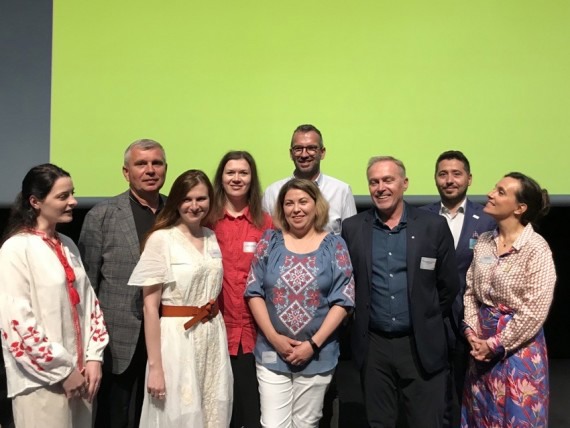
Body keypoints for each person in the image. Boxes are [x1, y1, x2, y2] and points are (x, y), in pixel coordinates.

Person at [341, 156, 459, 428]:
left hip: (420, 344)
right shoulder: (353, 228)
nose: (380, 188)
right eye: (374, 182)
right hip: (374, 346)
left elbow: (449, 285)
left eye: (388, 180)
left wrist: (423, 314)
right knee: (378, 423)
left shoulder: (433, 226)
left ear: (404, 184)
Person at [0, 164, 108, 427]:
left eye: (72, 193)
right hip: (42, 381)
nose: (73, 201)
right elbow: (17, 321)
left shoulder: (67, 245)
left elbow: (90, 305)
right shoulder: (16, 249)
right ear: (35, 202)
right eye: (62, 196)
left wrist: (94, 357)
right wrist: (63, 370)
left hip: (82, 378)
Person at [245, 178, 355, 427]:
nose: (296, 209)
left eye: (303, 202)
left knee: (306, 424)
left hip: (318, 355)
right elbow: (253, 291)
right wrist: (274, 338)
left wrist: (312, 345)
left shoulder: (335, 245)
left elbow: (344, 300)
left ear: (316, 205)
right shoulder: (269, 241)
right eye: (289, 203)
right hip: (272, 353)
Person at [128, 169, 233, 427]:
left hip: (212, 336)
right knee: (179, 411)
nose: (194, 206)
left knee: (212, 410)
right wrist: (155, 367)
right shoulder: (161, 239)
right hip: (177, 338)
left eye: (201, 199)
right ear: (176, 201)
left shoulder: (210, 236)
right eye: (187, 199)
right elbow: (150, 308)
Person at [78, 138, 167, 427]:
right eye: (141, 164)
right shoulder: (101, 215)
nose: (150, 170)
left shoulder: (176, 213)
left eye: (157, 163)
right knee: (114, 416)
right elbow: (87, 286)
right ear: (126, 172)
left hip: (167, 335)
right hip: (117, 340)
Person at [461, 172, 556, 427]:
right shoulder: (484, 241)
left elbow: (534, 311)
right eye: (495, 188)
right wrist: (472, 334)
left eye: (501, 192)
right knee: (481, 415)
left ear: (519, 208)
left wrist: (495, 344)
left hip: (517, 350)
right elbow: (470, 292)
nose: (490, 194)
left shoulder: (536, 248)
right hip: (480, 348)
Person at [421, 150, 495, 427]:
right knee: (434, 390)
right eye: (443, 174)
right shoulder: (421, 217)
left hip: (473, 318)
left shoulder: (487, 218)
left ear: (469, 178)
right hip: (433, 315)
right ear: (435, 179)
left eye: (456, 174)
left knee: (470, 388)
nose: (449, 180)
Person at [210, 151, 273, 428]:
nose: (237, 178)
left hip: (255, 333)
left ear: (252, 179)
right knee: (221, 414)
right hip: (214, 331)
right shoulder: (207, 222)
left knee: (253, 413)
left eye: (243, 173)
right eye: (231, 172)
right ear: (221, 178)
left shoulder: (266, 223)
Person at [262, 124, 356, 235]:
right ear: (291, 154)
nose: (304, 155)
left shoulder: (341, 191)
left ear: (322, 152)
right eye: (298, 149)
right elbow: (264, 238)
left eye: (311, 148)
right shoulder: (272, 193)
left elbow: (352, 237)